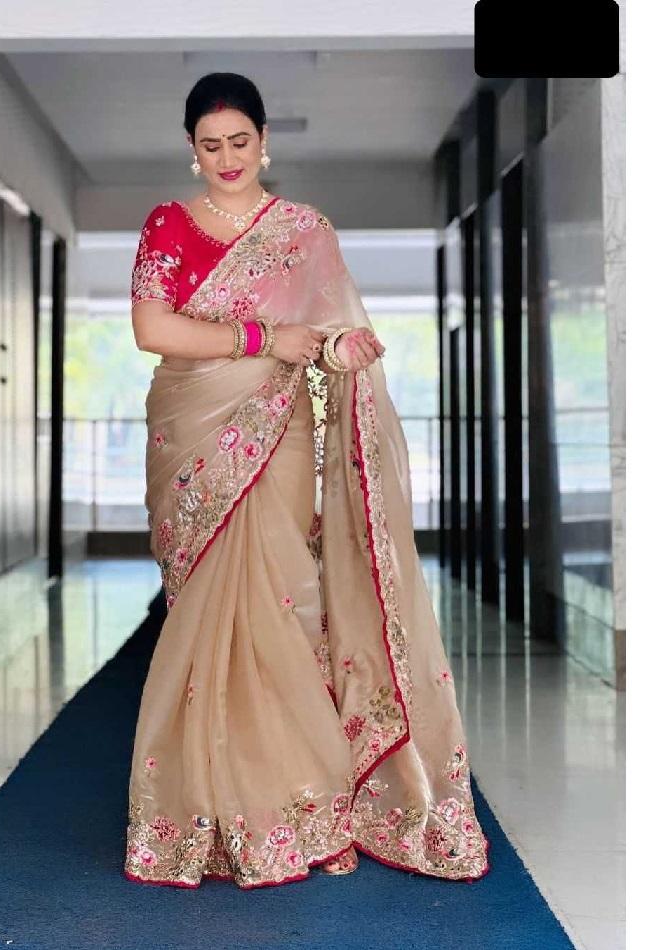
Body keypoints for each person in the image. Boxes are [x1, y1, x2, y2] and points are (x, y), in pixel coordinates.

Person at [124, 71, 490, 889]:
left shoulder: (302, 231)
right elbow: (153, 327)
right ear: (191, 150)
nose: (227, 157)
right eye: (211, 145)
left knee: (284, 606)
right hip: (193, 432)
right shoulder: (169, 224)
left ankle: (302, 806)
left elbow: (322, 331)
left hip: (279, 431)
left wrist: (338, 348)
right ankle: (205, 815)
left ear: (264, 142)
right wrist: (263, 337)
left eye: (240, 141)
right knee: (205, 618)